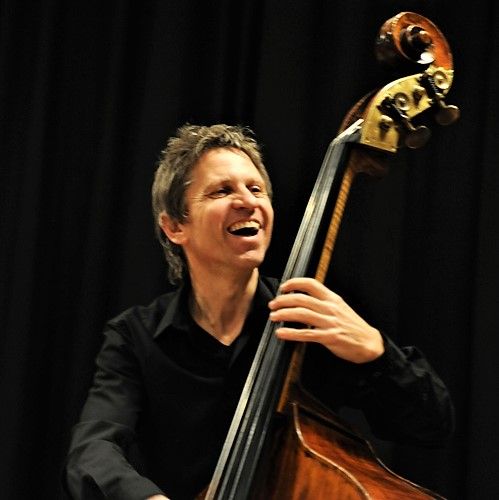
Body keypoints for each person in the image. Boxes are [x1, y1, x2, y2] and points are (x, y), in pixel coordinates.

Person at [64, 124, 453, 500]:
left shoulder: (311, 318)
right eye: (222, 190)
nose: (248, 202)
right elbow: (93, 452)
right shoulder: (135, 338)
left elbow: (432, 425)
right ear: (174, 227)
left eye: (256, 189)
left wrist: (374, 351)